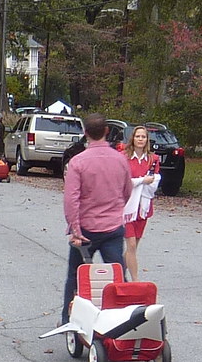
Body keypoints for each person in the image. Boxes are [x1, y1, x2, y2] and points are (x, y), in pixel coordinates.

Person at [62, 112, 132, 323]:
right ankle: (124, 319)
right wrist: (115, 209)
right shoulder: (120, 160)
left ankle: (68, 319)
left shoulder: (78, 162)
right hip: (112, 227)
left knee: (76, 276)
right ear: (106, 131)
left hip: (86, 230)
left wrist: (75, 229)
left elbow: (71, 199)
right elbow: (127, 190)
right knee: (117, 274)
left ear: (85, 133)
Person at [123, 125, 161, 281]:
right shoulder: (124, 157)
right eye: (138, 136)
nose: (140, 139)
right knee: (130, 245)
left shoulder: (153, 159)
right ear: (133, 138)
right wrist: (141, 181)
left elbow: (154, 182)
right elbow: (123, 182)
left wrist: (147, 182)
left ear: (147, 140)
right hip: (127, 207)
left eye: (143, 137)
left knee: (133, 248)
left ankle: (119, 272)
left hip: (143, 207)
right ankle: (135, 281)